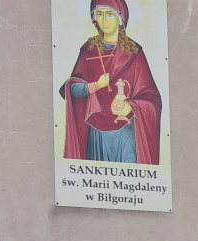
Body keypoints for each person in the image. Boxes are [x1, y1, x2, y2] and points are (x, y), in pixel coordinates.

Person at [59, 0, 162, 164]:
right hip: (97, 130)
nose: (105, 21)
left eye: (110, 14)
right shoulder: (88, 50)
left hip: (125, 130)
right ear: (94, 19)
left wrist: (130, 105)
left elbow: (152, 98)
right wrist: (94, 86)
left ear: (120, 18)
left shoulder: (134, 53)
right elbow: (72, 89)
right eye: (100, 14)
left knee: (130, 180)